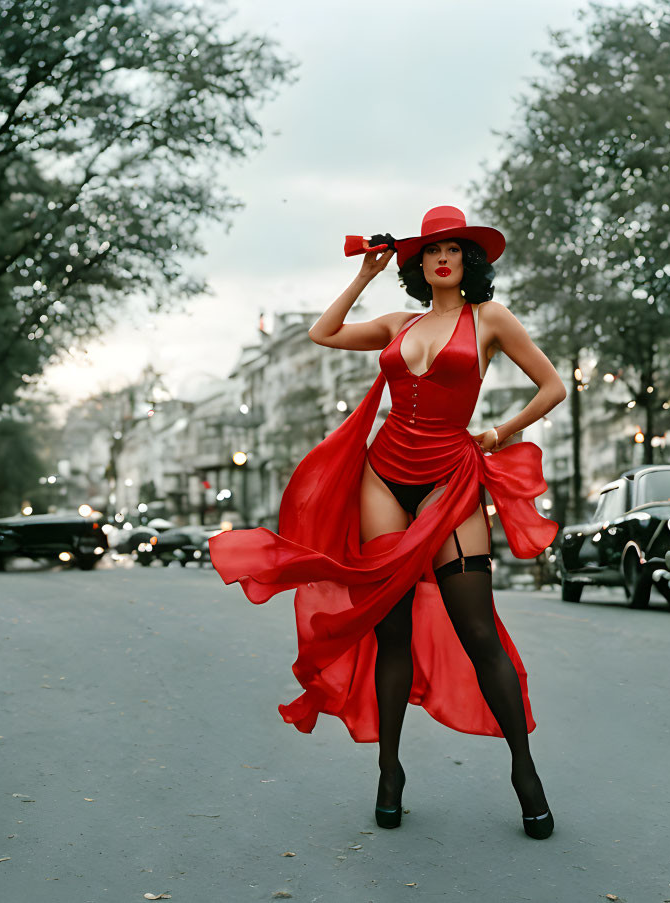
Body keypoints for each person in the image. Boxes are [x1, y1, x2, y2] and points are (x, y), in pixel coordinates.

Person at [210, 205, 566, 839]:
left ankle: (524, 770)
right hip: (384, 476)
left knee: (478, 629)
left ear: (470, 261)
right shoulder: (400, 323)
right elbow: (323, 333)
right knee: (392, 634)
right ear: (418, 266)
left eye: (453, 249)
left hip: (451, 481)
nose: (442, 259)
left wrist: (497, 433)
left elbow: (551, 387)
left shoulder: (490, 320)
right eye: (430, 252)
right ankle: (390, 772)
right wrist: (365, 274)